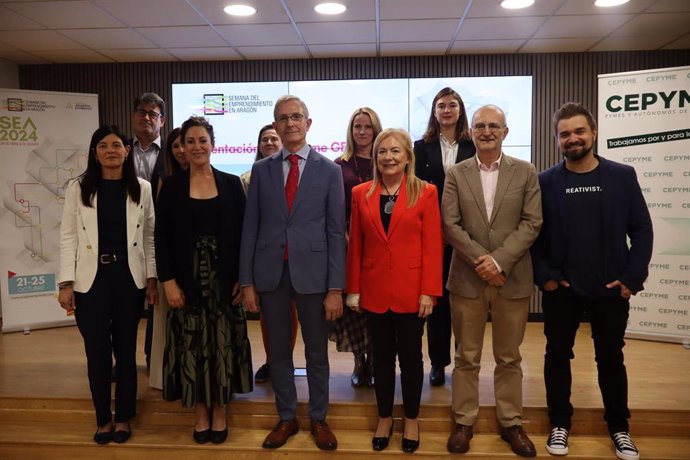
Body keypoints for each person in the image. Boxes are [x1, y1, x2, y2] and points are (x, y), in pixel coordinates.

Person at [531, 102, 653, 460]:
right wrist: (547, 278)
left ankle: (619, 427)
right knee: (556, 356)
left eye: (579, 131)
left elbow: (641, 230)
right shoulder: (545, 182)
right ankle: (559, 422)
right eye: (565, 133)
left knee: (611, 358)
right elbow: (535, 236)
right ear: (557, 140)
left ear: (594, 133)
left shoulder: (622, 176)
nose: (573, 138)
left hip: (611, 290)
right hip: (562, 291)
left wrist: (632, 278)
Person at [240, 95, 345, 451]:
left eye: (296, 117)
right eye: (282, 118)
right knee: (279, 353)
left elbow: (335, 232)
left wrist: (336, 288)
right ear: (276, 124)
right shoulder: (262, 170)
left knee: (317, 352)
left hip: (315, 277)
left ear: (308, 123)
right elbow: (250, 230)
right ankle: (286, 416)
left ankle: (319, 418)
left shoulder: (329, 171)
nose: (289, 123)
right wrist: (247, 282)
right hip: (270, 276)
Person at [442, 104, 542, 457]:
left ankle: (511, 422)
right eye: (481, 126)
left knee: (509, 357)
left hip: (511, 278)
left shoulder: (526, 171)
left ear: (505, 131)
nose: (486, 131)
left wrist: (499, 261)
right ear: (473, 131)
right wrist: (483, 262)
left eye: (493, 126)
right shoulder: (456, 173)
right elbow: (450, 225)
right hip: (467, 279)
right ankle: (464, 421)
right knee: (466, 356)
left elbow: (532, 222)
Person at [155, 116, 253, 445]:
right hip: (186, 279)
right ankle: (200, 410)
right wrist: (167, 280)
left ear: (213, 144)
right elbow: (161, 237)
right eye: (190, 141)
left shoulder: (230, 183)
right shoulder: (170, 186)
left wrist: (244, 276)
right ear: (182, 146)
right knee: (192, 345)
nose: (197, 146)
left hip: (225, 278)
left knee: (223, 342)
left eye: (203, 140)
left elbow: (243, 234)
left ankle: (221, 408)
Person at [58, 125, 157, 444]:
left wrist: (152, 277)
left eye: (117, 145)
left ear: (127, 151)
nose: (111, 150)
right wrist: (65, 282)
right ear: (94, 152)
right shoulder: (79, 187)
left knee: (126, 351)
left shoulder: (141, 187)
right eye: (103, 145)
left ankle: (124, 416)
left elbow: (149, 237)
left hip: (129, 279)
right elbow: (68, 236)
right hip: (91, 281)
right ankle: (103, 418)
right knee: (98, 352)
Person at [346, 128, 442, 453]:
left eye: (395, 151)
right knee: (381, 360)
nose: (388, 157)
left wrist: (430, 291)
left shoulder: (425, 192)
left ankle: (411, 418)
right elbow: (355, 246)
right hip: (373, 292)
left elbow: (432, 247)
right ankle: (384, 416)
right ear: (375, 157)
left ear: (407, 157)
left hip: (413, 293)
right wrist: (353, 289)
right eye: (382, 151)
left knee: (412, 360)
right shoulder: (361, 193)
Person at [414, 87, 476, 387]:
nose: (447, 110)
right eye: (441, 106)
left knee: (463, 305)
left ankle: (465, 363)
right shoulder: (419, 147)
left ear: (460, 110)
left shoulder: (474, 145)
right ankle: (439, 363)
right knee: (437, 305)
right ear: (434, 112)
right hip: (431, 238)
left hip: (466, 237)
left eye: (453, 105)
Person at [241, 124, 299, 384]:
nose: (269, 143)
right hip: (264, 257)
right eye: (264, 139)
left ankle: (285, 359)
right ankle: (271, 360)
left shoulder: (299, 173)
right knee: (268, 315)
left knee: (292, 312)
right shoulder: (247, 178)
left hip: (295, 257)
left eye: (274, 138)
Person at [331, 107, 382, 388]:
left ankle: (374, 358)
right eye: (357, 127)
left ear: (376, 129)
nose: (361, 132)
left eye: (367, 127)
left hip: (380, 247)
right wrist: (345, 235)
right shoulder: (340, 164)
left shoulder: (386, 160)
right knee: (355, 307)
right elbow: (334, 207)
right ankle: (359, 360)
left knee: (375, 306)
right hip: (348, 246)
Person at [148, 127, 187, 391]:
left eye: (186, 143)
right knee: (164, 323)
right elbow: (158, 229)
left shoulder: (216, 179)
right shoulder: (165, 179)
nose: (182, 150)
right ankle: (165, 378)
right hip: (171, 263)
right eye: (175, 146)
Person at [131, 91, 166, 371]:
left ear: (161, 121)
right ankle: (125, 360)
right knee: (127, 303)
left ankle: (154, 359)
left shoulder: (174, 151)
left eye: (152, 114)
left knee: (157, 301)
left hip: (162, 235)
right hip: (126, 237)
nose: (146, 118)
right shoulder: (121, 149)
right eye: (142, 112)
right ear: (134, 116)